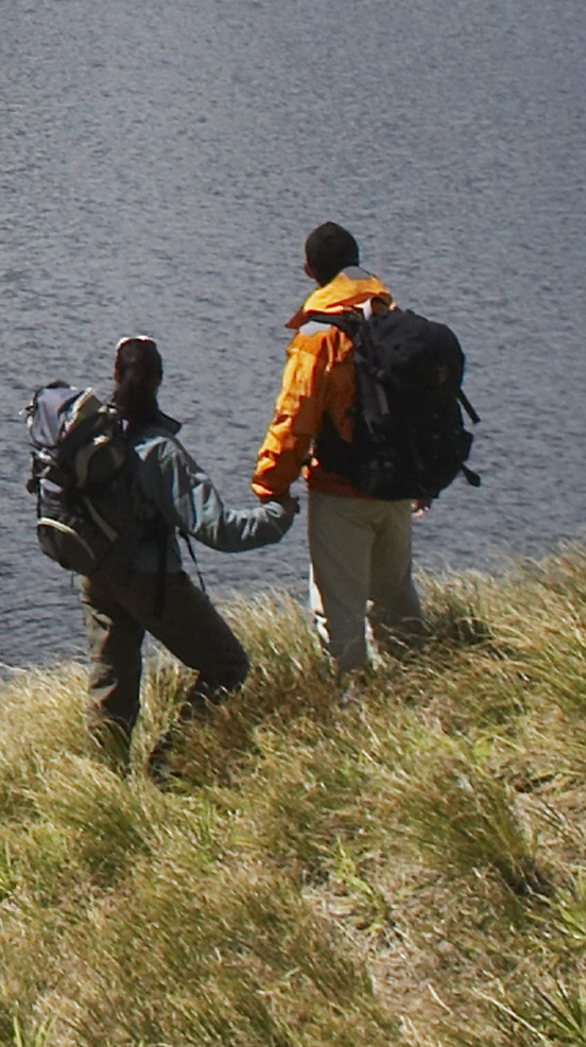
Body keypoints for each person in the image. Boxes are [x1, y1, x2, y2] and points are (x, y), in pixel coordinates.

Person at [75, 332, 293, 768]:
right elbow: (218, 529)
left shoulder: (91, 435)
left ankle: (102, 785)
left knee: (110, 685)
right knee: (227, 666)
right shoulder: (160, 451)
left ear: (115, 374)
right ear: (159, 380)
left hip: (95, 575)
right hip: (150, 582)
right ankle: (166, 764)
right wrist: (279, 515)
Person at [254, 218, 426, 675]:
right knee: (396, 600)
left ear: (309, 270)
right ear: (355, 261)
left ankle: (352, 712)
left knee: (339, 612)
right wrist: (422, 477)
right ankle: (424, 688)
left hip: (341, 492)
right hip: (398, 485)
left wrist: (270, 485)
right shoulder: (392, 319)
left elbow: (295, 418)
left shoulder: (318, 336)